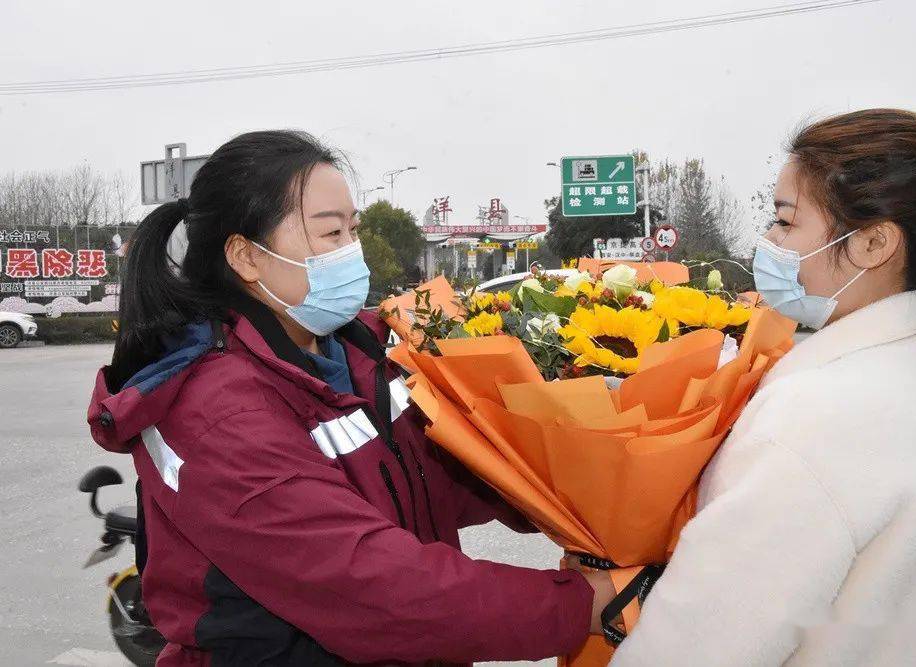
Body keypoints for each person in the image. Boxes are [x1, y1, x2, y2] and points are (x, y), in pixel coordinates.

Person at [87, 130, 614, 666]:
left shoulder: (364, 355)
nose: (351, 253)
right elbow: (374, 587)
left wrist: (593, 488)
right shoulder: (216, 414)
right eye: (329, 233)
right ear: (246, 256)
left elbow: (448, 473)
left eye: (353, 230)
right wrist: (583, 607)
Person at [599, 109, 916, 665]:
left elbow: (698, 647)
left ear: (875, 244)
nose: (768, 239)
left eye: (786, 221)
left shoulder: (819, 416)